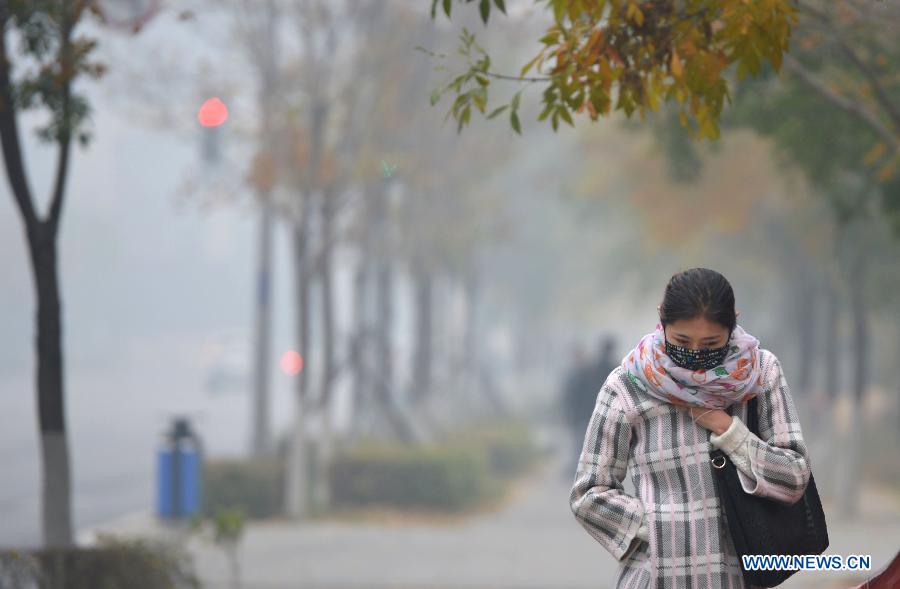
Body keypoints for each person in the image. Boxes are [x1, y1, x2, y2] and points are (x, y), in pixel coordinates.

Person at [569, 268, 812, 589]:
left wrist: (730, 431)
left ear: (732, 324)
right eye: (682, 341)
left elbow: (794, 477)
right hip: (656, 578)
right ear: (662, 321)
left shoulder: (761, 373)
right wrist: (661, 528)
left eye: (711, 343)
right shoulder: (627, 385)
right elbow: (589, 493)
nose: (696, 355)